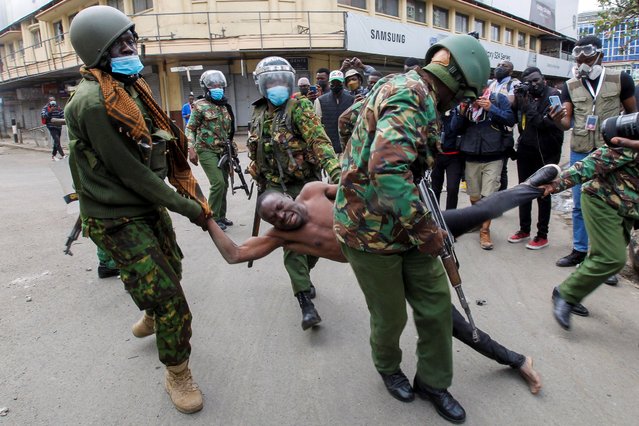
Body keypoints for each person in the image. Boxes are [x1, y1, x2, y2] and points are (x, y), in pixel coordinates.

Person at [206, 175, 576, 397]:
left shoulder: (315, 190)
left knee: (478, 213)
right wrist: (207, 220)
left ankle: (536, 185)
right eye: (275, 217)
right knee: (446, 320)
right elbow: (237, 254)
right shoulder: (282, 237)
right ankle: (516, 360)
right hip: (381, 272)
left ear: (289, 197)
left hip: (404, 234)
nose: (283, 216)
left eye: (282, 207)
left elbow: (361, 188)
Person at [334, 34, 490, 424]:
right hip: (369, 232)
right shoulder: (412, 96)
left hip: (406, 223)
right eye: (464, 95)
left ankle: (433, 382)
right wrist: (427, 231)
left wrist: (352, 158)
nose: (460, 104)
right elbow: (386, 171)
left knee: (436, 305)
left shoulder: (404, 86)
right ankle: (388, 367)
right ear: (456, 79)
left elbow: (348, 120)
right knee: (390, 317)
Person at [67, 5, 211, 414]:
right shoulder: (94, 102)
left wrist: (186, 191)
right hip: (115, 215)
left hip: (145, 205)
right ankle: (177, 372)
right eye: (122, 44)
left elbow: (158, 153)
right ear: (98, 52)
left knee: (171, 270)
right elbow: (134, 174)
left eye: (132, 40)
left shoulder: (128, 88)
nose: (133, 49)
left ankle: (149, 311)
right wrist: (192, 208)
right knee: (170, 297)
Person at [247, 56, 341, 331]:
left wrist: (337, 175)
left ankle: (303, 275)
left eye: (282, 81)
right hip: (275, 187)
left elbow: (319, 141)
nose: (278, 87)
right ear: (262, 86)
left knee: (314, 241)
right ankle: (305, 302)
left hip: (304, 185)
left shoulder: (298, 106)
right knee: (291, 242)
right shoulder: (257, 112)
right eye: (271, 82)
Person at [555, 35, 637, 272]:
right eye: (577, 53)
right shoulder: (569, 86)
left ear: (600, 54)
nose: (581, 58)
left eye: (587, 52)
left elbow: (633, 116)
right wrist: (558, 120)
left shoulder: (620, 79)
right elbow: (567, 122)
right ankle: (579, 251)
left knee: (616, 204)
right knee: (580, 204)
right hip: (581, 150)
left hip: (611, 151)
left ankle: (606, 260)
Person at [541, 134, 639, 330]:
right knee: (612, 258)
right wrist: (556, 185)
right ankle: (566, 293)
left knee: (603, 258)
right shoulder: (632, 143)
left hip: (627, 210)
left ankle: (575, 290)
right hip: (602, 201)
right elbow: (591, 164)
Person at [453, 85, 516, 250]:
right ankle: (477, 220)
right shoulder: (465, 101)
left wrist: (491, 108)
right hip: (471, 155)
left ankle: (485, 230)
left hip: (493, 156)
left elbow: (510, 119)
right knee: (474, 195)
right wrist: (462, 110)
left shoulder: (497, 98)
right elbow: (455, 127)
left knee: (488, 197)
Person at [508, 67, 564, 249]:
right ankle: (524, 229)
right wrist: (515, 99)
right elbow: (514, 117)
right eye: (529, 82)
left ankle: (542, 235)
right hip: (526, 149)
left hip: (547, 152)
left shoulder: (554, 96)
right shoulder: (525, 95)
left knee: (542, 193)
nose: (533, 85)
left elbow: (543, 123)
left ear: (544, 80)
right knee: (524, 190)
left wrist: (525, 104)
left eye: (536, 80)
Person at [186, 69, 236, 230]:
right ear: (206, 88)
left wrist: (232, 150)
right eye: (213, 85)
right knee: (218, 183)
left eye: (220, 85)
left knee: (225, 184)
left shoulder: (224, 106)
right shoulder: (200, 106)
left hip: (223, 150)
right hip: (206, 149)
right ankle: (212, 219)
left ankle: (221, 216)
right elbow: (190, 128)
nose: (217, 88)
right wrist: (190, 147)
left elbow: (229, 131)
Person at [487, 60, 519, 191]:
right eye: (499, 65)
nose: (500, 68)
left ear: (511, 71)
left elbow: (510, 103)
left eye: (504, 66)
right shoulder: (492, 84)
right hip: (490, 128)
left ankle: (501, 197)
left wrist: (493, 104)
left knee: (502, 166)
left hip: (505, 129)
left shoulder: (514, 84)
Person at [314, 70, 354, 155]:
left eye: (338, 82)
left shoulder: (352, 100)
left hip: (348, 149)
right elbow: (317, 126)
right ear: (329, 83)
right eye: (333, 82)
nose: (335, 85)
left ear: (342, 83)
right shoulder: (320, 101)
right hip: (329, 150)